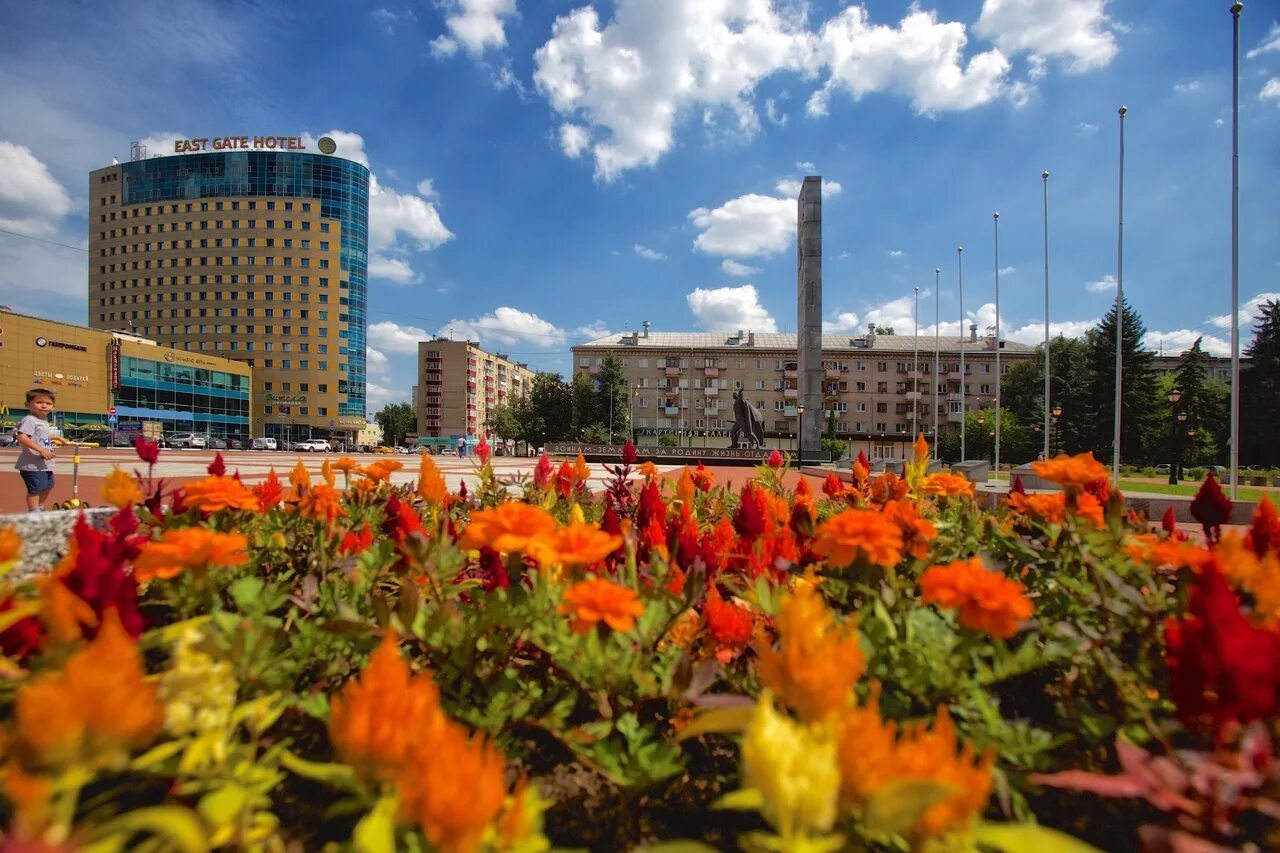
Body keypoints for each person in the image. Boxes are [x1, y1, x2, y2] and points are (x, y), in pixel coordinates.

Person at [14, 388, 60, 512]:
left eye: (48, 403)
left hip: (45, 463)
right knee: (36, 489)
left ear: (53, 407)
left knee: (48, 486)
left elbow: (39, 437)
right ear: (28, 404)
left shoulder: (43, 421)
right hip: (32, 464)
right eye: (39, 402)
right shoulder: (29, 420)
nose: (44, 405)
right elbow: (22, 436)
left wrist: (54, 437)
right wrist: (41, 450)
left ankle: (40, 507)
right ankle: (34, 511)